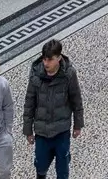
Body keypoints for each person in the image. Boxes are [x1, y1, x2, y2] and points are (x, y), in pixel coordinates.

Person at [23, 41, 84, 179]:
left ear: (59, 58)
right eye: (44, 59)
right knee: (40, 165)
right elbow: (29, 103)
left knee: (62, 167)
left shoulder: (68, 74)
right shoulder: (35, 75)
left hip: (61, 130)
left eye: (50, 59)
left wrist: (78, 124)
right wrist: (28, 130)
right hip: (42, 131)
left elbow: (76, 99)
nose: (46, 63)